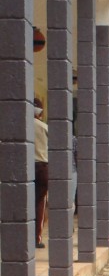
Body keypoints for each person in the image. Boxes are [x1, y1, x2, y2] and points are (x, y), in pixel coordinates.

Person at [33, 97, 49, 249]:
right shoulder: (44, 127)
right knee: (39, 203)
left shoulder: (17, 126)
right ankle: (36, 239)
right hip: (42, 168)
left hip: (22, 169)